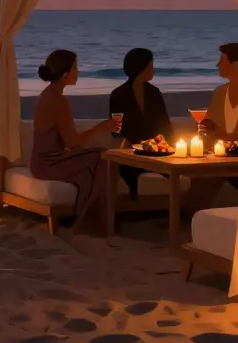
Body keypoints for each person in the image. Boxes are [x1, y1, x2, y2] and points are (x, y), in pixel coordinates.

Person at [31, 49, 117, 234]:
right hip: (50, 164)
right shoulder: (58, 102)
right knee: (106, 157)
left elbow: (71, 145)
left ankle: (86, 219)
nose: (78, 72)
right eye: (76, 68)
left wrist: (84, 156)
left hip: (44, 162)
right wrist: (99, 128)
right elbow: (72, 144)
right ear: (65, 74)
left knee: (87, 176)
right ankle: (91, 222)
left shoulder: (47, 94)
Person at [108, 48, 174, 199]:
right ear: (141, 67)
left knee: (169, 164)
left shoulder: (154, 92)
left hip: (156, 151)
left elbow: (165, 125)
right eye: (150, 66)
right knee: (128, 167)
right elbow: (116, 131)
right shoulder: (119, 94)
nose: (153, 70)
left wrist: (161, 139)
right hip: (132, 151)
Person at [199, 42, 238, 141]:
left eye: (222, 60)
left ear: (235, 65)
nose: (217, 64)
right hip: (221, 153)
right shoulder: (219, 92)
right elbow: (209, 126)